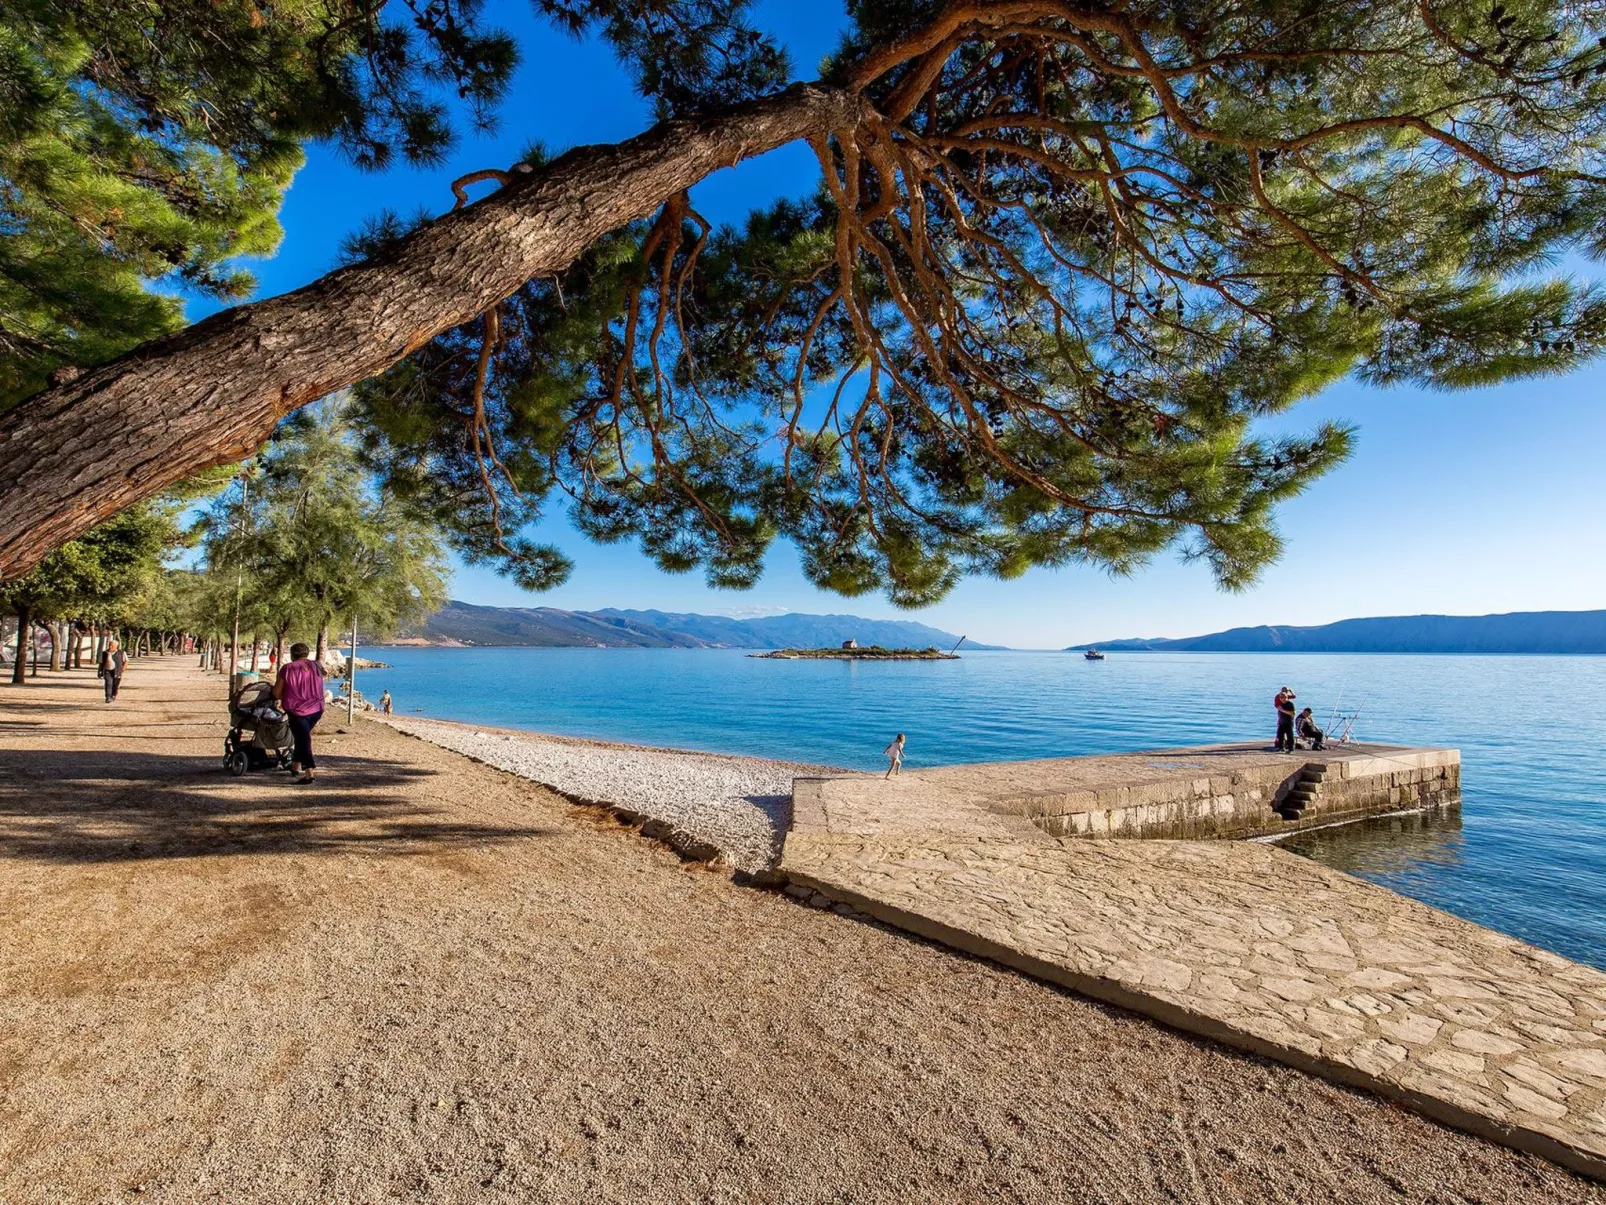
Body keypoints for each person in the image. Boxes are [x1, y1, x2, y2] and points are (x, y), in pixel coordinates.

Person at [273, 642, 325, 783]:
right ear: (307, 653)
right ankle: (295, 767)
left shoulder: (287, 669)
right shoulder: (317, 665)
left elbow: (277, 693)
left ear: (292, 654)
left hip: (297, 711)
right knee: (301, 737)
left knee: (303, 739)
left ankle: (309, 773)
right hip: (317, 709)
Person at [98, 637, 126, 702]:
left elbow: (126, 661)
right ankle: (108, 697)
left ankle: (113, 695)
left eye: (112, 645)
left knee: (115, 684)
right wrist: (99, 671)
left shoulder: (121, 653)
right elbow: (101, 663)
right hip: (107, 670)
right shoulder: (104, 653)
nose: (110, 646)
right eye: (110, 645)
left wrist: (122, 669)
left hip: (117, 671)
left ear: (116, 646)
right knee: (108, 683)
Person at [1274, 687, 1297, 752]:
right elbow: (1279, 712)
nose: (1282, 699)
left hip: (1288, 722)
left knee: (1289, 735)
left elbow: (1293, 713)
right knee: (1280, 735)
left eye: (1283, 697)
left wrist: (1283, 710)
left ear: (1286, 697)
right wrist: (1279, 720)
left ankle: (1291, 748)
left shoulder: (1290, 704)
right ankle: (1281, 747)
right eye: (1281, 698)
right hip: (1281, 721)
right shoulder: (1280, 704)